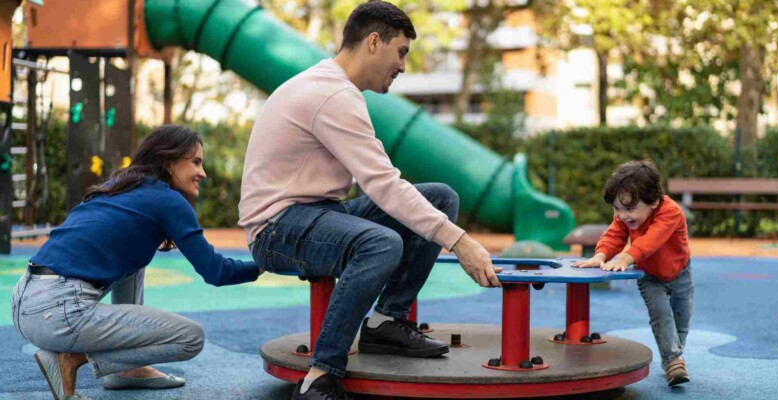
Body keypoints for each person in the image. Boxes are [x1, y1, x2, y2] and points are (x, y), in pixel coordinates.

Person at [238, 1, 501, 398]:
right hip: (276, 228)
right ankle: (321, 375)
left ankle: (385, 322)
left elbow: (385, 186)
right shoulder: (331, 94)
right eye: (401, 52)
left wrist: (449, 232)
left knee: (440, 198)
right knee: (380, 242)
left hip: (319, 212)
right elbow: (383, 184)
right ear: (374, 42)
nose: (403, 66)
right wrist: (460, 241)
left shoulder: (335, 88)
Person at [10, 125, 263, 400]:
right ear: (169, 162)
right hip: (59, 313)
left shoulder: (119, 186)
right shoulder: (168, 201)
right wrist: (266, 263)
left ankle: (127, 370)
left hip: (25, 301)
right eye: (196, 162)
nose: (202, 173)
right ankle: (72, 359)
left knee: (136, 255)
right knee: (190, 338)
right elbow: (216, 271)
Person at [572, 160, 693, 387]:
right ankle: (673, 360)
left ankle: (673, 354)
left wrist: (625, 258)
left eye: (628, 209)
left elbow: (651, 241)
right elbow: (614, 235)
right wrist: (600, 256)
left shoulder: (671, 213)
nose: (622, 215)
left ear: (654, 201)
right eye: (617, 208)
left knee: (682, 320)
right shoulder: (624, 217)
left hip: (681, 273)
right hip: (649, 276)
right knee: (661, 315)